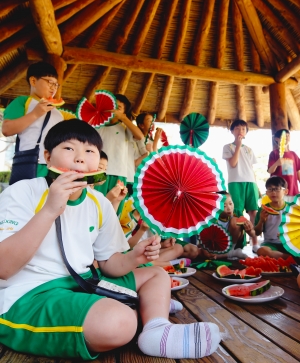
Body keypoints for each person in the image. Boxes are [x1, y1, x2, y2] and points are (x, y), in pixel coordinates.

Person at [0, 119, 221, 360]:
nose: (80, 158)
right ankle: (144, 310)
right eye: (69, 148)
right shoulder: (22, 192)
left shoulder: (99, 202)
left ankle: (157, 329)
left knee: (156, 275)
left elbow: (110, 264)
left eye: (89, 151)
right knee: (118, 322)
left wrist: (135, 256)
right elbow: (4, 268)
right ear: (47, 156)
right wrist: (50, 210)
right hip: (30, 294)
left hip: (84, 283)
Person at [1, 61, 64, 178]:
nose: (53, 88)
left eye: (56, 84)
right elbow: (6, 129)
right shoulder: (22, 102)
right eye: (50, 82)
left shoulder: (58, 113)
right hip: (31, 163)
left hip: (55, 167)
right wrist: (35, 114)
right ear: (33, 81)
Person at [95, 95, 143, 213]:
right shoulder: (97, 125)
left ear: (124, 112)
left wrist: (123, 118)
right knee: (95, 206)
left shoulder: (125, 127)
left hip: (118, 174)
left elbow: (140, 136)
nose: (114, 108)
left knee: (113, 211)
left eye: (119, 107)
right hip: (98, 171)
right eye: (112, 105)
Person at [222, 119, 259, 253]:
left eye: (243, 129)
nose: (240, 131)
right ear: (232, 131)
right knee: (236, 213)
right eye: (237, 128)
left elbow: (250, 168)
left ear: (246, 133)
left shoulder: (249, 149)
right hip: (235, 182)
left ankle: (255, 244)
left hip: (251, 183)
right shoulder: (228, 147)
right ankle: (237, 246)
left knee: (254, 212)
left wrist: (257, 186)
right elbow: (233, 163)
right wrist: (238, 145)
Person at [254, 176, 292, 259]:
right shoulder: (262, 210)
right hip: (270, 244)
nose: (273, 192)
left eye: (277, 189)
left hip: (289, 243)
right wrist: (261, 220)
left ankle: (284, 257)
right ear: (266, 192)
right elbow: (256, 233)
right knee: (262, 251)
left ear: (285, 191)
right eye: (270, 189)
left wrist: (286, 235)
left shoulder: (292, 209)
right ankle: (290, 258)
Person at [212, 193, 256, 259]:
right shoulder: (213, 217)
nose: (229, 208)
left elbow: (253, 234)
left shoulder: (237, 213)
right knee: (208, 254)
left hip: (236, 244)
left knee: (234, 221)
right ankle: (233, 253)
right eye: (224, 206)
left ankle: (231, 250)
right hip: (219, 246)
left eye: (230, 203)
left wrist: (249, 230)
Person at [268, 128, 300, 202]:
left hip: (293, 190)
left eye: (288, 136)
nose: (287, 138)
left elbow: (298, 172)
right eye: (285, 136)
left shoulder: (293, 154)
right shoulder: (274, 153)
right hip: (278, 191)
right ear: (277, 139)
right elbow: (270, 170)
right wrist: (277, 163)